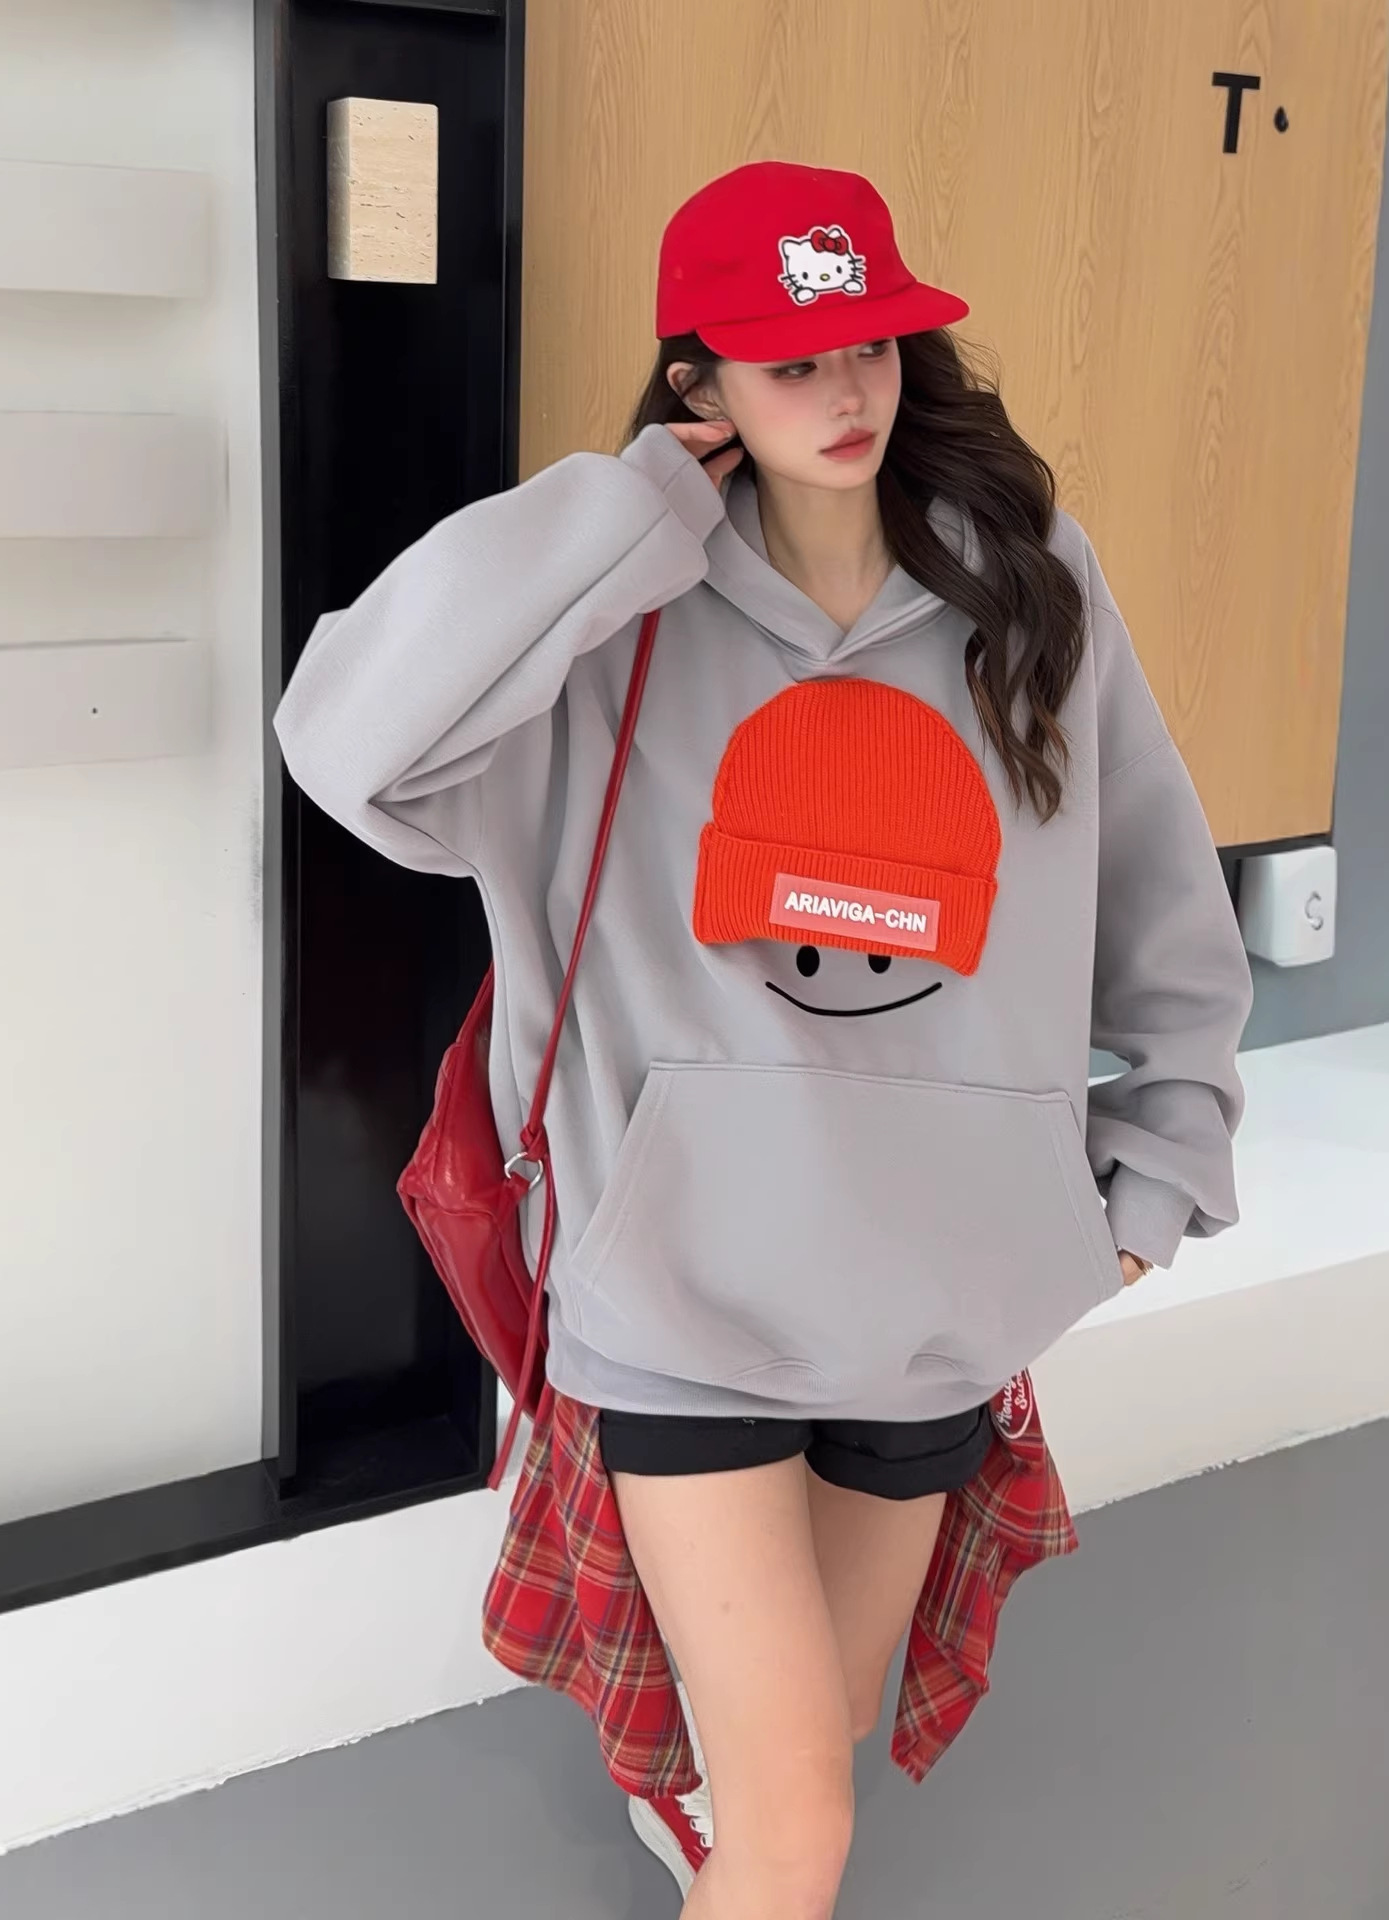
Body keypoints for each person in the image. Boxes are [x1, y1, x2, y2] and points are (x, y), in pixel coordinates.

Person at [275, 159, 1253, 1920]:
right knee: (798, 1836)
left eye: (870, 342)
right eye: (791, 360)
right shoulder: (605, 621)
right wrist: (627, 511)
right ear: (701, 382)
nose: (847, 389)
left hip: (941, 1298)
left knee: (804, 1767)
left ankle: (706, 1829)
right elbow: (346, 741)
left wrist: (1152, 1174)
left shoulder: (1031, 588)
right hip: (687, 1306)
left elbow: (1157, 889)